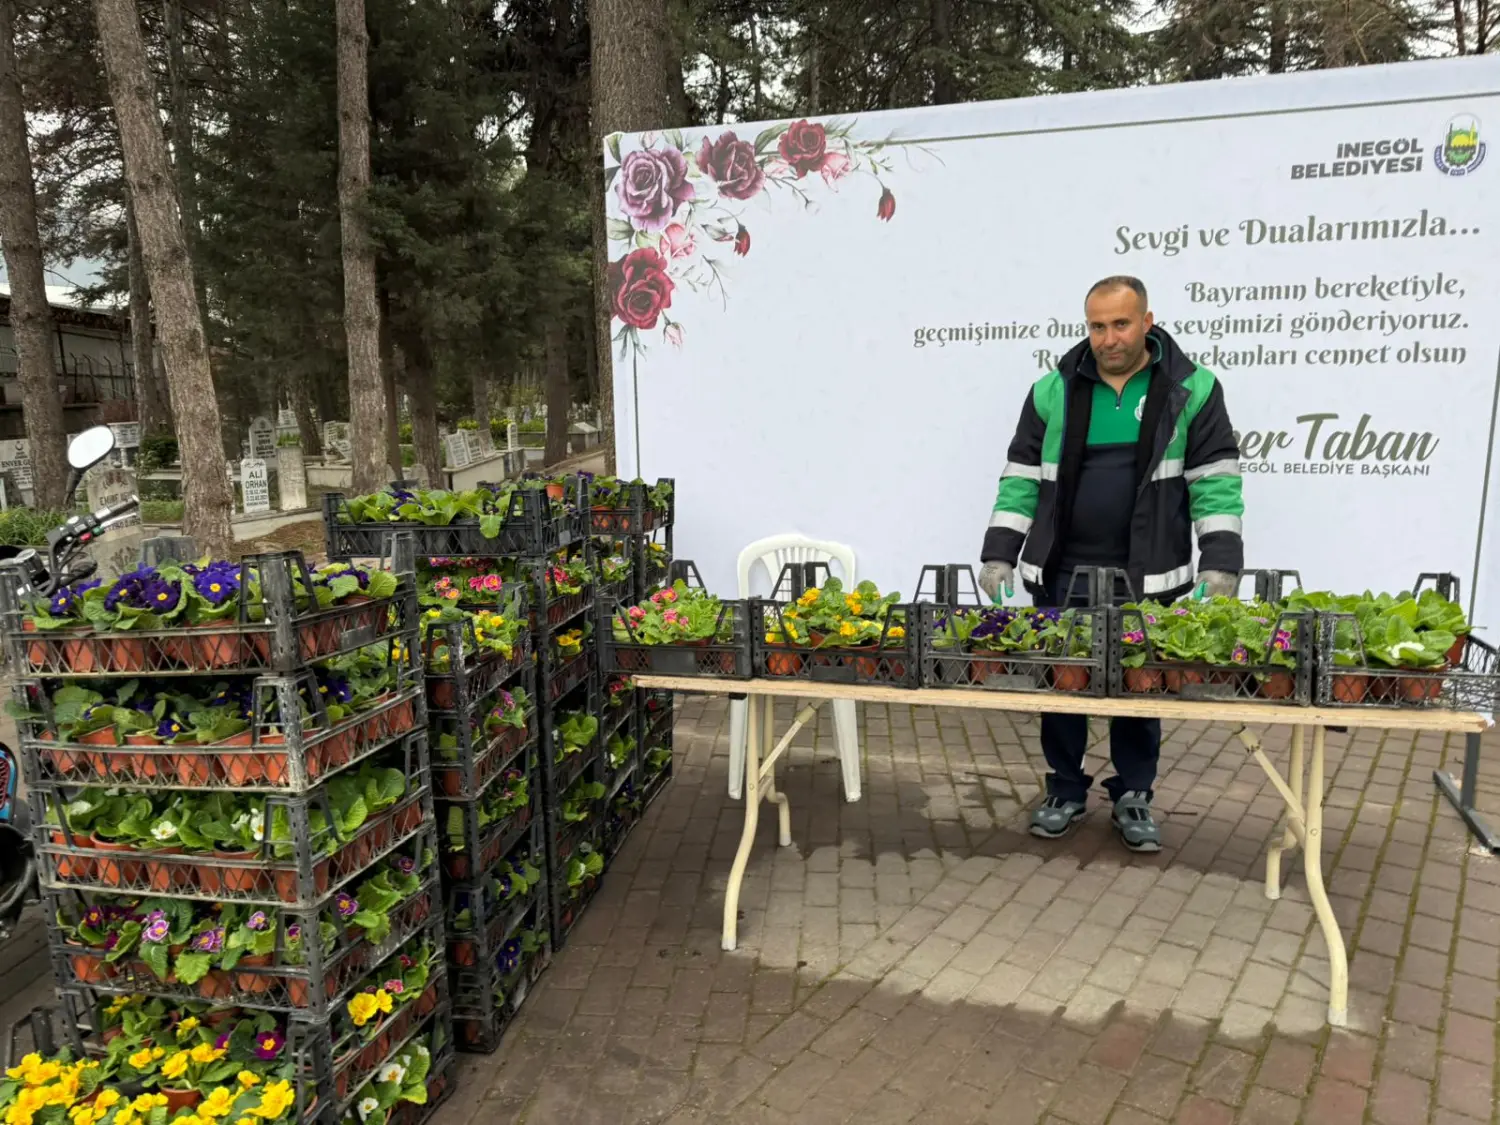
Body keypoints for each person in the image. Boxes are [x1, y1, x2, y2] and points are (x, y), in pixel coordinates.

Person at [976, 276, 1244, 852]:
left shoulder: (1190, 389)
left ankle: (1134, 794)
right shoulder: (1053, 391)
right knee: (1064, 688)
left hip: (1149, 573)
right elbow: (1021, 478)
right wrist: (999, 551)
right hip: (1063, 570)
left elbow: (1216, 483)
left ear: (1148, 321)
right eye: (1097, 326)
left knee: (1140, 688)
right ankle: (1065, 790)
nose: (1108, 338)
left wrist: (1220, 562)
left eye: (1121, 324)